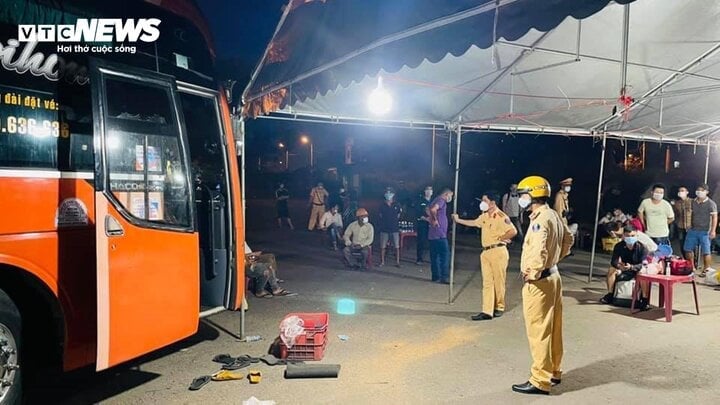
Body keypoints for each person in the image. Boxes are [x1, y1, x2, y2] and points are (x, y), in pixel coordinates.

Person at [511, 176, 573, 396]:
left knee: (539, 330)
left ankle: (539, 379)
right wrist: (555, 260)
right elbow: (569, 239)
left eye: (522, 195)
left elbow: (538, 249)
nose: (520, 198)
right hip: (554, 277)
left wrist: (534, 272)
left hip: (540, 281)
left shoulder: (539, 220)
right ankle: (554, 371)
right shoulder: (553, 215)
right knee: (554, 327)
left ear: (531, 195)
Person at [452, 191, 517, 321]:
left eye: (485, 200)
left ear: (492, 203)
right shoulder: (484, 216)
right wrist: (458, 220)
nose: (482, 203)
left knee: (499, 281)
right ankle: (487, 311)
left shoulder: (501, 216)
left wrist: (502, 237)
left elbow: (513, 231)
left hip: (498, 251)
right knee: (487, 282)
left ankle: (499, 306)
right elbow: (474, 223)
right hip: (486, 252)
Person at [600, 225, 650, 308]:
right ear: (623, 236)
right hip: (624, 268)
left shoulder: (642, 248)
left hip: (637, 268)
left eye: (632, 236)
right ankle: (610, 295)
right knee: (611, 269)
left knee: (643, 272)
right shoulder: (618, 246)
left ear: (636, 235)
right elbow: (614, 261)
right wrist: (619, 266)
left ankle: (645, 300)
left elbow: (643, 264)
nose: (630, 238)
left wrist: (632, 267)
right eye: (627, 236)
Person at [684, 184, 718, 276]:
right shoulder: (692, 202)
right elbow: (688, 213)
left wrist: (713, 230)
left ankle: (706, 269)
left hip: (705, 231)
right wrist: (688, 225)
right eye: (698, 190)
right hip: (693, 229)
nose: (699, 192)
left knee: (706, 251)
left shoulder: (711, 203)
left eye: (702, 190)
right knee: (687, 249)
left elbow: (714, 217)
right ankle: (691, 268)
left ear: (707, 192)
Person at [428, 188, 454, 284]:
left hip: (432, 234)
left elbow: (428, 209)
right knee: (445, 255)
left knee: (434, 256)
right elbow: (433, 209)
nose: (450, 198)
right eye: (450, 195)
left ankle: (435, 276)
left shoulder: (435, 199)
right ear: (446, 194)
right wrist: (435, 220)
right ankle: (444, 277)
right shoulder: (441, 200)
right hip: (440, 234)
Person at [379, 190, 402, 267]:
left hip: (394, 228)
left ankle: (397, 262)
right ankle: (382, 262)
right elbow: (380, 216)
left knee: (397, 246)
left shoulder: (397, 205)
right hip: (384, 229)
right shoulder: (382, 206)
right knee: (383, 246)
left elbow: (398, 215)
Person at [415, 186, 433, 265]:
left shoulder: (434, 201)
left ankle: (433, 259)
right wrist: (426, 219)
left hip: (432, 225)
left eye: (430, 190)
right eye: (427, 190)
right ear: (424, 191)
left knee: (432, 242)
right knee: (421, 241)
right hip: (422, 224)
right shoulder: (420, 201)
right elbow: (418, 213)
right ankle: (419, 259)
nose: (429, 192)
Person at [673, 186, 692, 254]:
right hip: (680, 227)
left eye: (683, 190)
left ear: (687, 192)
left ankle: (693, 261)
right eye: (680, 191)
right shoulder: (677, 203)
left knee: (690, 245)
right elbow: (675, 213)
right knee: (682, 243)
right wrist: (676, 222)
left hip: (690, 227)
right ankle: (685, 259)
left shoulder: (692, 202)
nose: (681, 192)